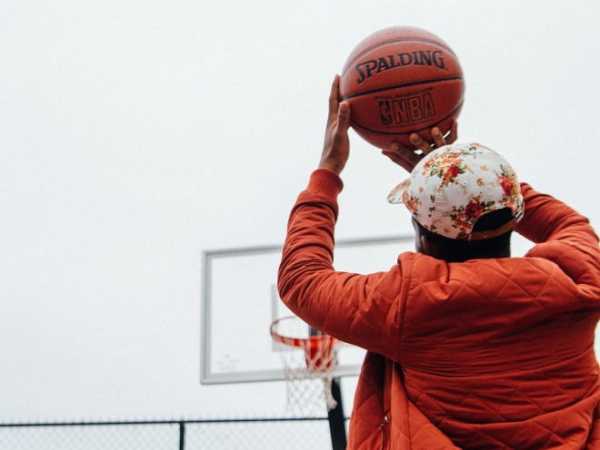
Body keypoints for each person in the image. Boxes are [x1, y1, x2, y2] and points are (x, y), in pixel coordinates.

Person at [277, 75, 600, 449]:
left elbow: (302, 279)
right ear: (515, 214)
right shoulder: (580, 277)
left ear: (422, 232)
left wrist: (328, 170)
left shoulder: (408, 304)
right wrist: (467, 172)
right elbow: (568, 224)